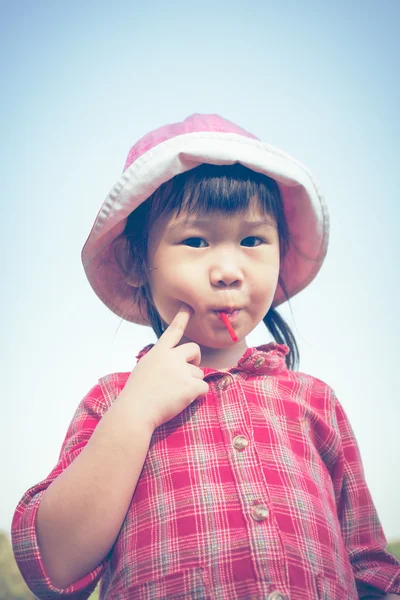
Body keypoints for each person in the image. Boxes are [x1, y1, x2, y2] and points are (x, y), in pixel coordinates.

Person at [12, 114, 400, 600]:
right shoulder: (113, 402)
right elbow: (54, 567)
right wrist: (135, 414)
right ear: (136, 261)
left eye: (253, 240)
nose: (227, 271)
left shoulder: (316, 403)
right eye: (195, 241)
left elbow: (371, 569)